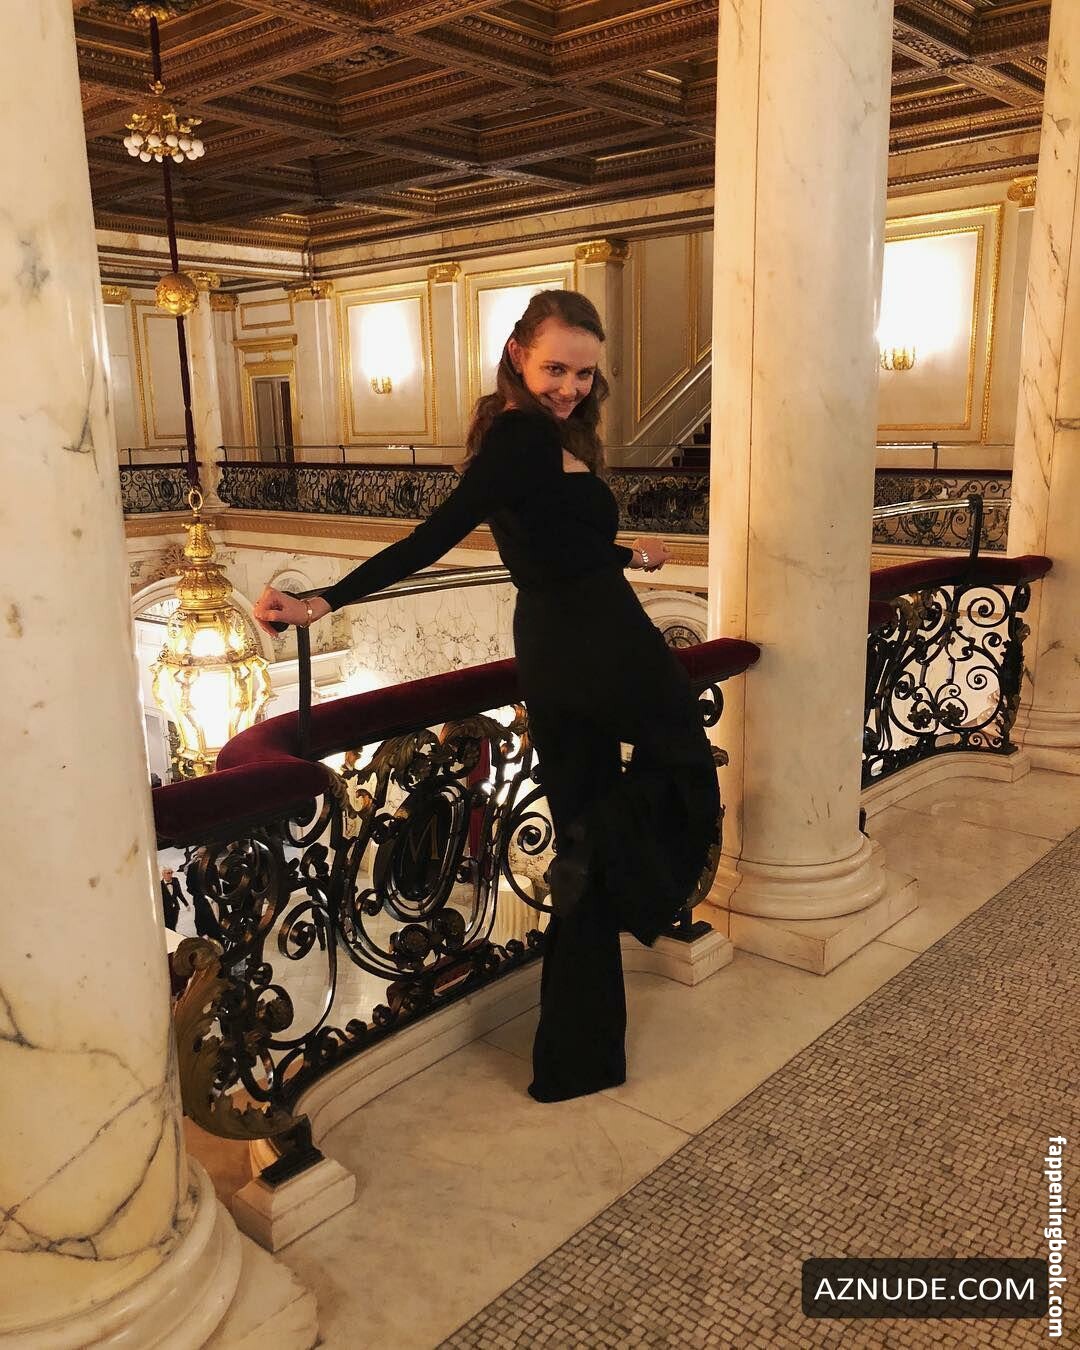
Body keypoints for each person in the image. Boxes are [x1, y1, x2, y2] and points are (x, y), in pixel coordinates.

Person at [254, 289, 719, 1103]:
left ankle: (579, 1056)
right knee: (685, 767)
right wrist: (324, 600)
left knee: (587, 837)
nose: (570, 387)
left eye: (583, 374)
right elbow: (433, 537)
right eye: (555, 369)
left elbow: (552, 543)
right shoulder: (519, 437)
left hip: (560, 648)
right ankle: (608, 867)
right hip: (603, 646)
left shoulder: (541, 437)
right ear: (516, 354)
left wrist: (627, 555)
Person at [159, 867, 187, 932]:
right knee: (168, 926)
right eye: (168, 873)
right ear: (163, 874)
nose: (170, 875)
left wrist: (186, 904)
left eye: (171, 873)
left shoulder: (175, 881)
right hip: (166, 909)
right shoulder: (160, 885)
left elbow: (179, 893)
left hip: (175, 908)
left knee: (174, 925)